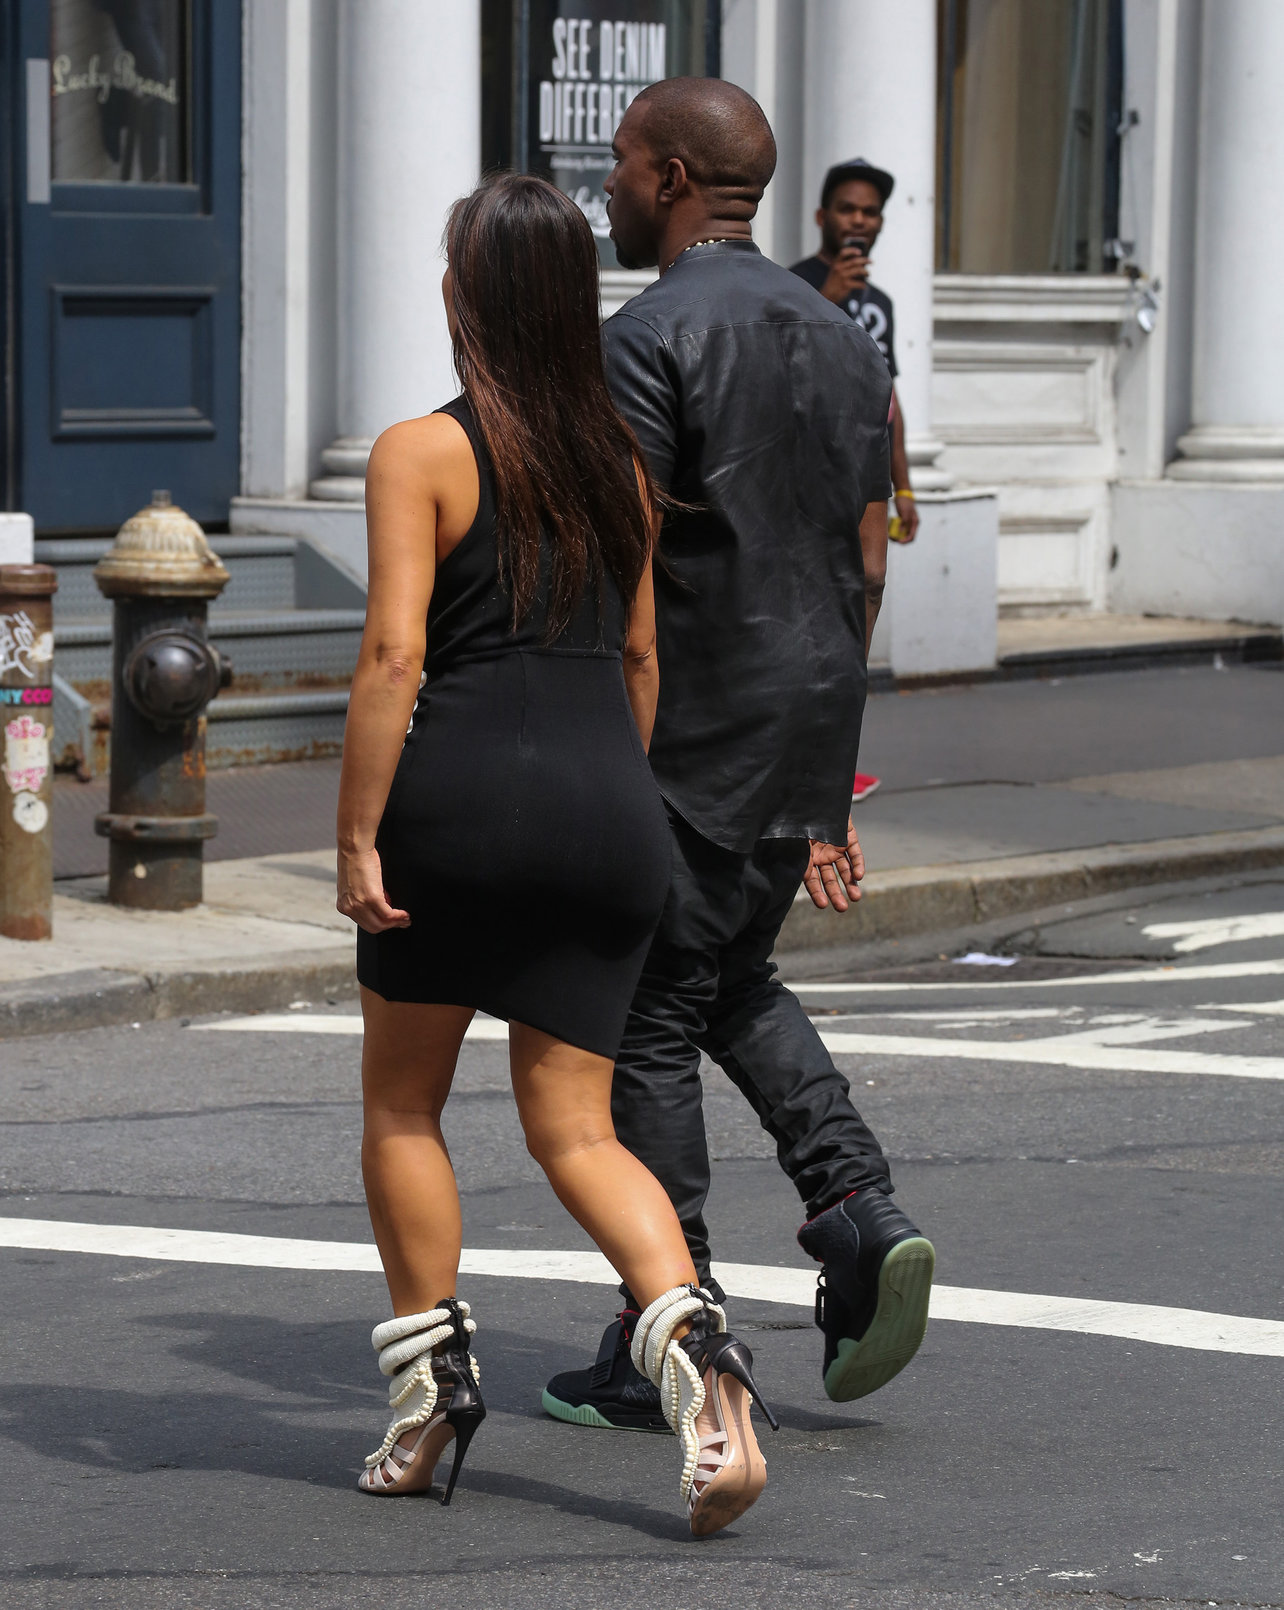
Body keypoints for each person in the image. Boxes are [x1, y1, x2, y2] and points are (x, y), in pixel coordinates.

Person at [335, 173, 773, 1536]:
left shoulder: (422, 450)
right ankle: (705, 1367)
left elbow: (395, 655)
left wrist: (356, 829)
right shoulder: (622, 469)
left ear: (464, 295)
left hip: (459, 799)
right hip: (609, 806)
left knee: (406, 1106)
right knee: (579, 1126)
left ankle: (428, 1401)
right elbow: (641, 659)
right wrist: (611, 802)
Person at [540, 81, 935, 1434]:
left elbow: (620, 560)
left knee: (650, 1006)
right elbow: (866, 559)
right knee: (728, 974)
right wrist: (829, 770)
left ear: (665, 176)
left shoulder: (642, 338)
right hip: (810, 707)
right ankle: (854, 1205)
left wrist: (582, 736)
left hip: (687, 721)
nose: (605, 189)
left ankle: (674, 1319)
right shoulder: (846, 342)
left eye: (621, 165)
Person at [789, 157, 919, 545]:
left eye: (870, 212)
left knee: (868, 586)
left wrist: (906, 488)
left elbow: (889, 399)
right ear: (821, 216)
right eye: (847, 209)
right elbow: (780, 368)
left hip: (867, 484)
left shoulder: (881, 303)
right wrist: (827, 299)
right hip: (806, 478)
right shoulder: (790, 284)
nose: (859, 220)